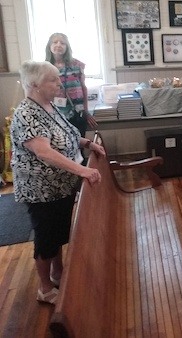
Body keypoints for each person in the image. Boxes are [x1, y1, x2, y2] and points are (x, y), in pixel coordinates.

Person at [10, 60, 105, 305]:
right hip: (41, 188)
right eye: (53, 80)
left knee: (58, 231)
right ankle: (44, 288)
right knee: (46, 236)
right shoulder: (26, 112)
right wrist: (82, 171)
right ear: (34, 84)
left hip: (60, 185)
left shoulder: (48, 105)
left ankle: (58, 272)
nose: (59, 84)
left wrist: (87, 143)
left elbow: (68, 134)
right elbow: (45, 152)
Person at [45, 32, 97, 136]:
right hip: (55, 114)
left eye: (62, 43)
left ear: (67, 47)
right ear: (49, 46)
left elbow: (83, 88)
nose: (58, 45)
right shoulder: (45, 67)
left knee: (79, 144)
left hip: (78, 113)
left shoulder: (77, 65)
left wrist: (86, 111)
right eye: (55, 42)